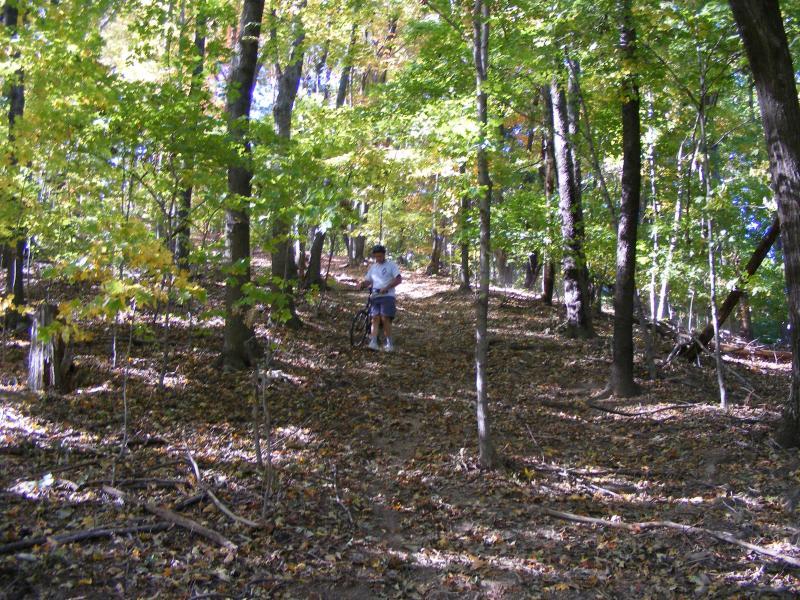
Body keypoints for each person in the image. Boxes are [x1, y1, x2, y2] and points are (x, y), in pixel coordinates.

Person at [358, 244, 402, 351]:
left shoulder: (391, 265)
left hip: (387, 296)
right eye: (376, 256)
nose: (378, 258)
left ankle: (389, 343)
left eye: (380, 256)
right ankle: (373, 342)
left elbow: (399, 279)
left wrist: (387, 287)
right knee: (375, 318)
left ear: (384, 255)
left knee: (385, 318)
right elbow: (369, 280)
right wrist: (363, 284)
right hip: (375, 295)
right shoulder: (373, 267)